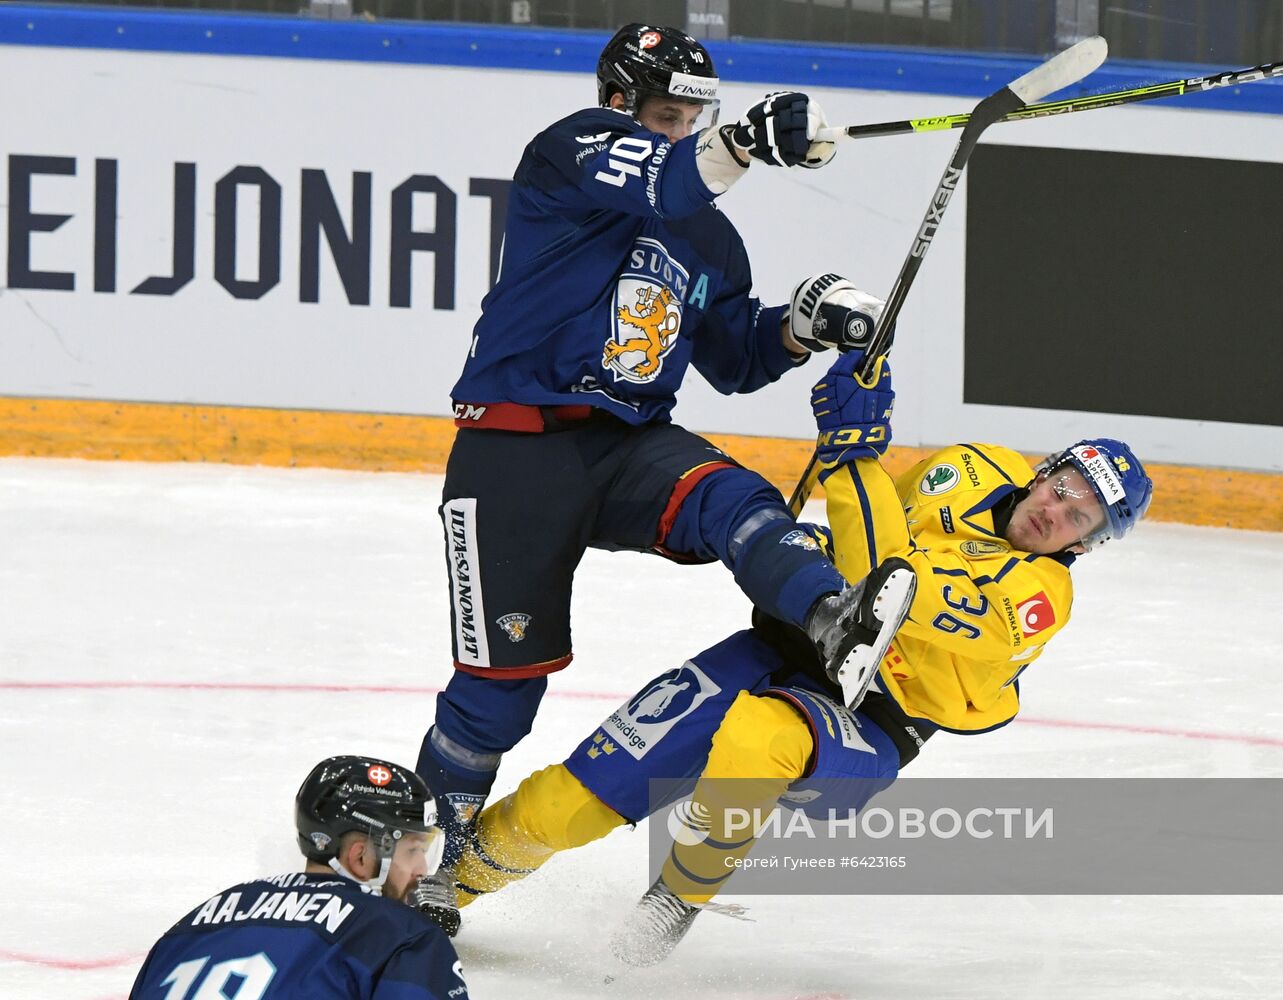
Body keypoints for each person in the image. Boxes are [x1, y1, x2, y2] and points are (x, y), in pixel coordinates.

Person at [413, 353, 1154, 966]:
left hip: (870, 719)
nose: (1054, 510)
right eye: (1061, 486)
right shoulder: (967, 469)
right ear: (1044, 471)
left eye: (1079, 516)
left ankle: (672, 905)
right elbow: (870, 530)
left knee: (757, 736)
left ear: (1084, 544)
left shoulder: (1037, 595)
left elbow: (884, 589)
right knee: (570, 797)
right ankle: (449, 886)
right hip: (786, 647)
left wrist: (850, 456)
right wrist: (828, 505)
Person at [416, 20, 916, 896]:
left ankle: (832, 617)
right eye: (664, 111)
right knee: (500, 693)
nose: (678, 128)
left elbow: (734, 360)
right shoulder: (569, 153)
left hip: (627, 447)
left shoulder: (709, 239)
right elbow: (671, 175)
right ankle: (423, 868)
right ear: (617, 100)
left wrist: (802, 326)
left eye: (694, 116)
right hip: (512, 453)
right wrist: (743, 141)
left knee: (732, 496)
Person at [129, 756, 470, 999]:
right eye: (412, 850)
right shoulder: (401, 935)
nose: (423, 869)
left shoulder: (193, 924)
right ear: (362, 855)